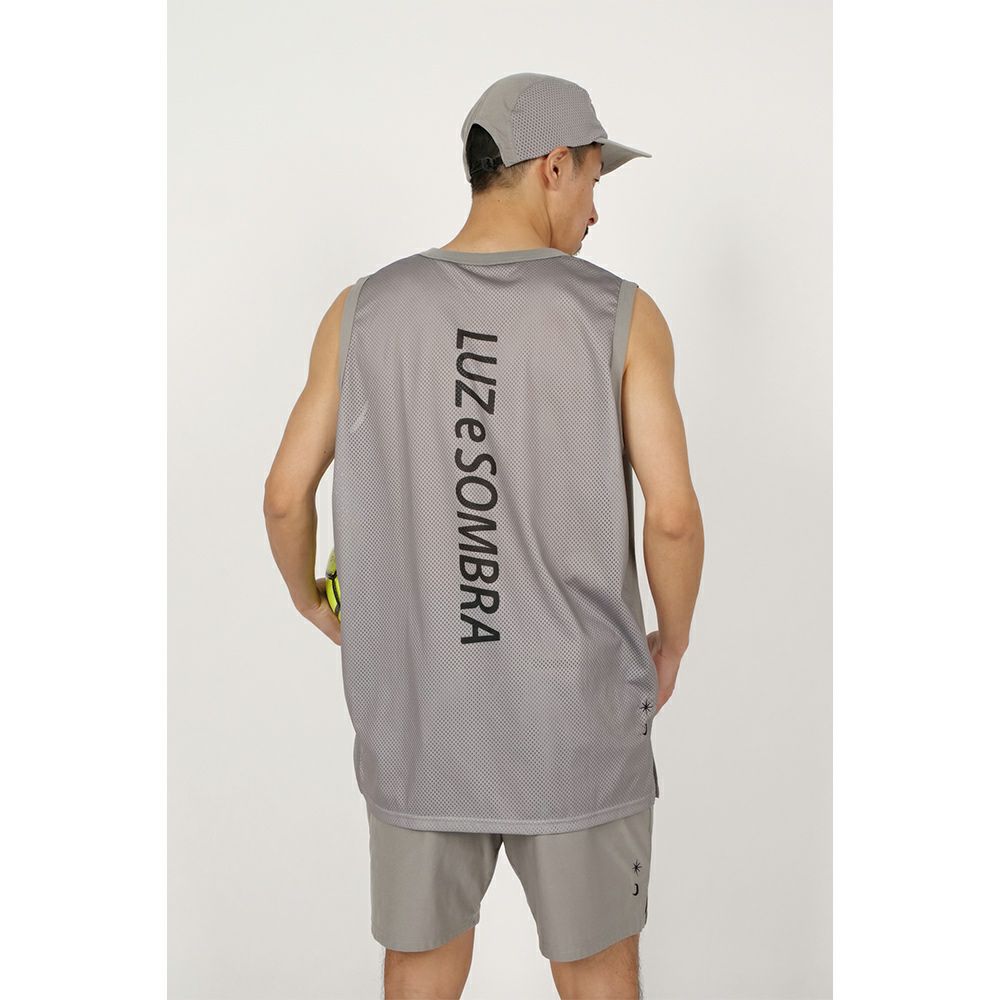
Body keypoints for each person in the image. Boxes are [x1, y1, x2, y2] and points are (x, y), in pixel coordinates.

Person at [263, 72, 704, 999]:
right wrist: (672, 641)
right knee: (599, 973)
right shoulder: (620, 314)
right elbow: (670, 515)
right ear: (554, 166)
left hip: (422, 716)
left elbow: (284, 497)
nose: (595, 211)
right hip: (577, 720)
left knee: (421, 970)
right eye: (594, 181)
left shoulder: (363, 310)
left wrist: (311, 600)